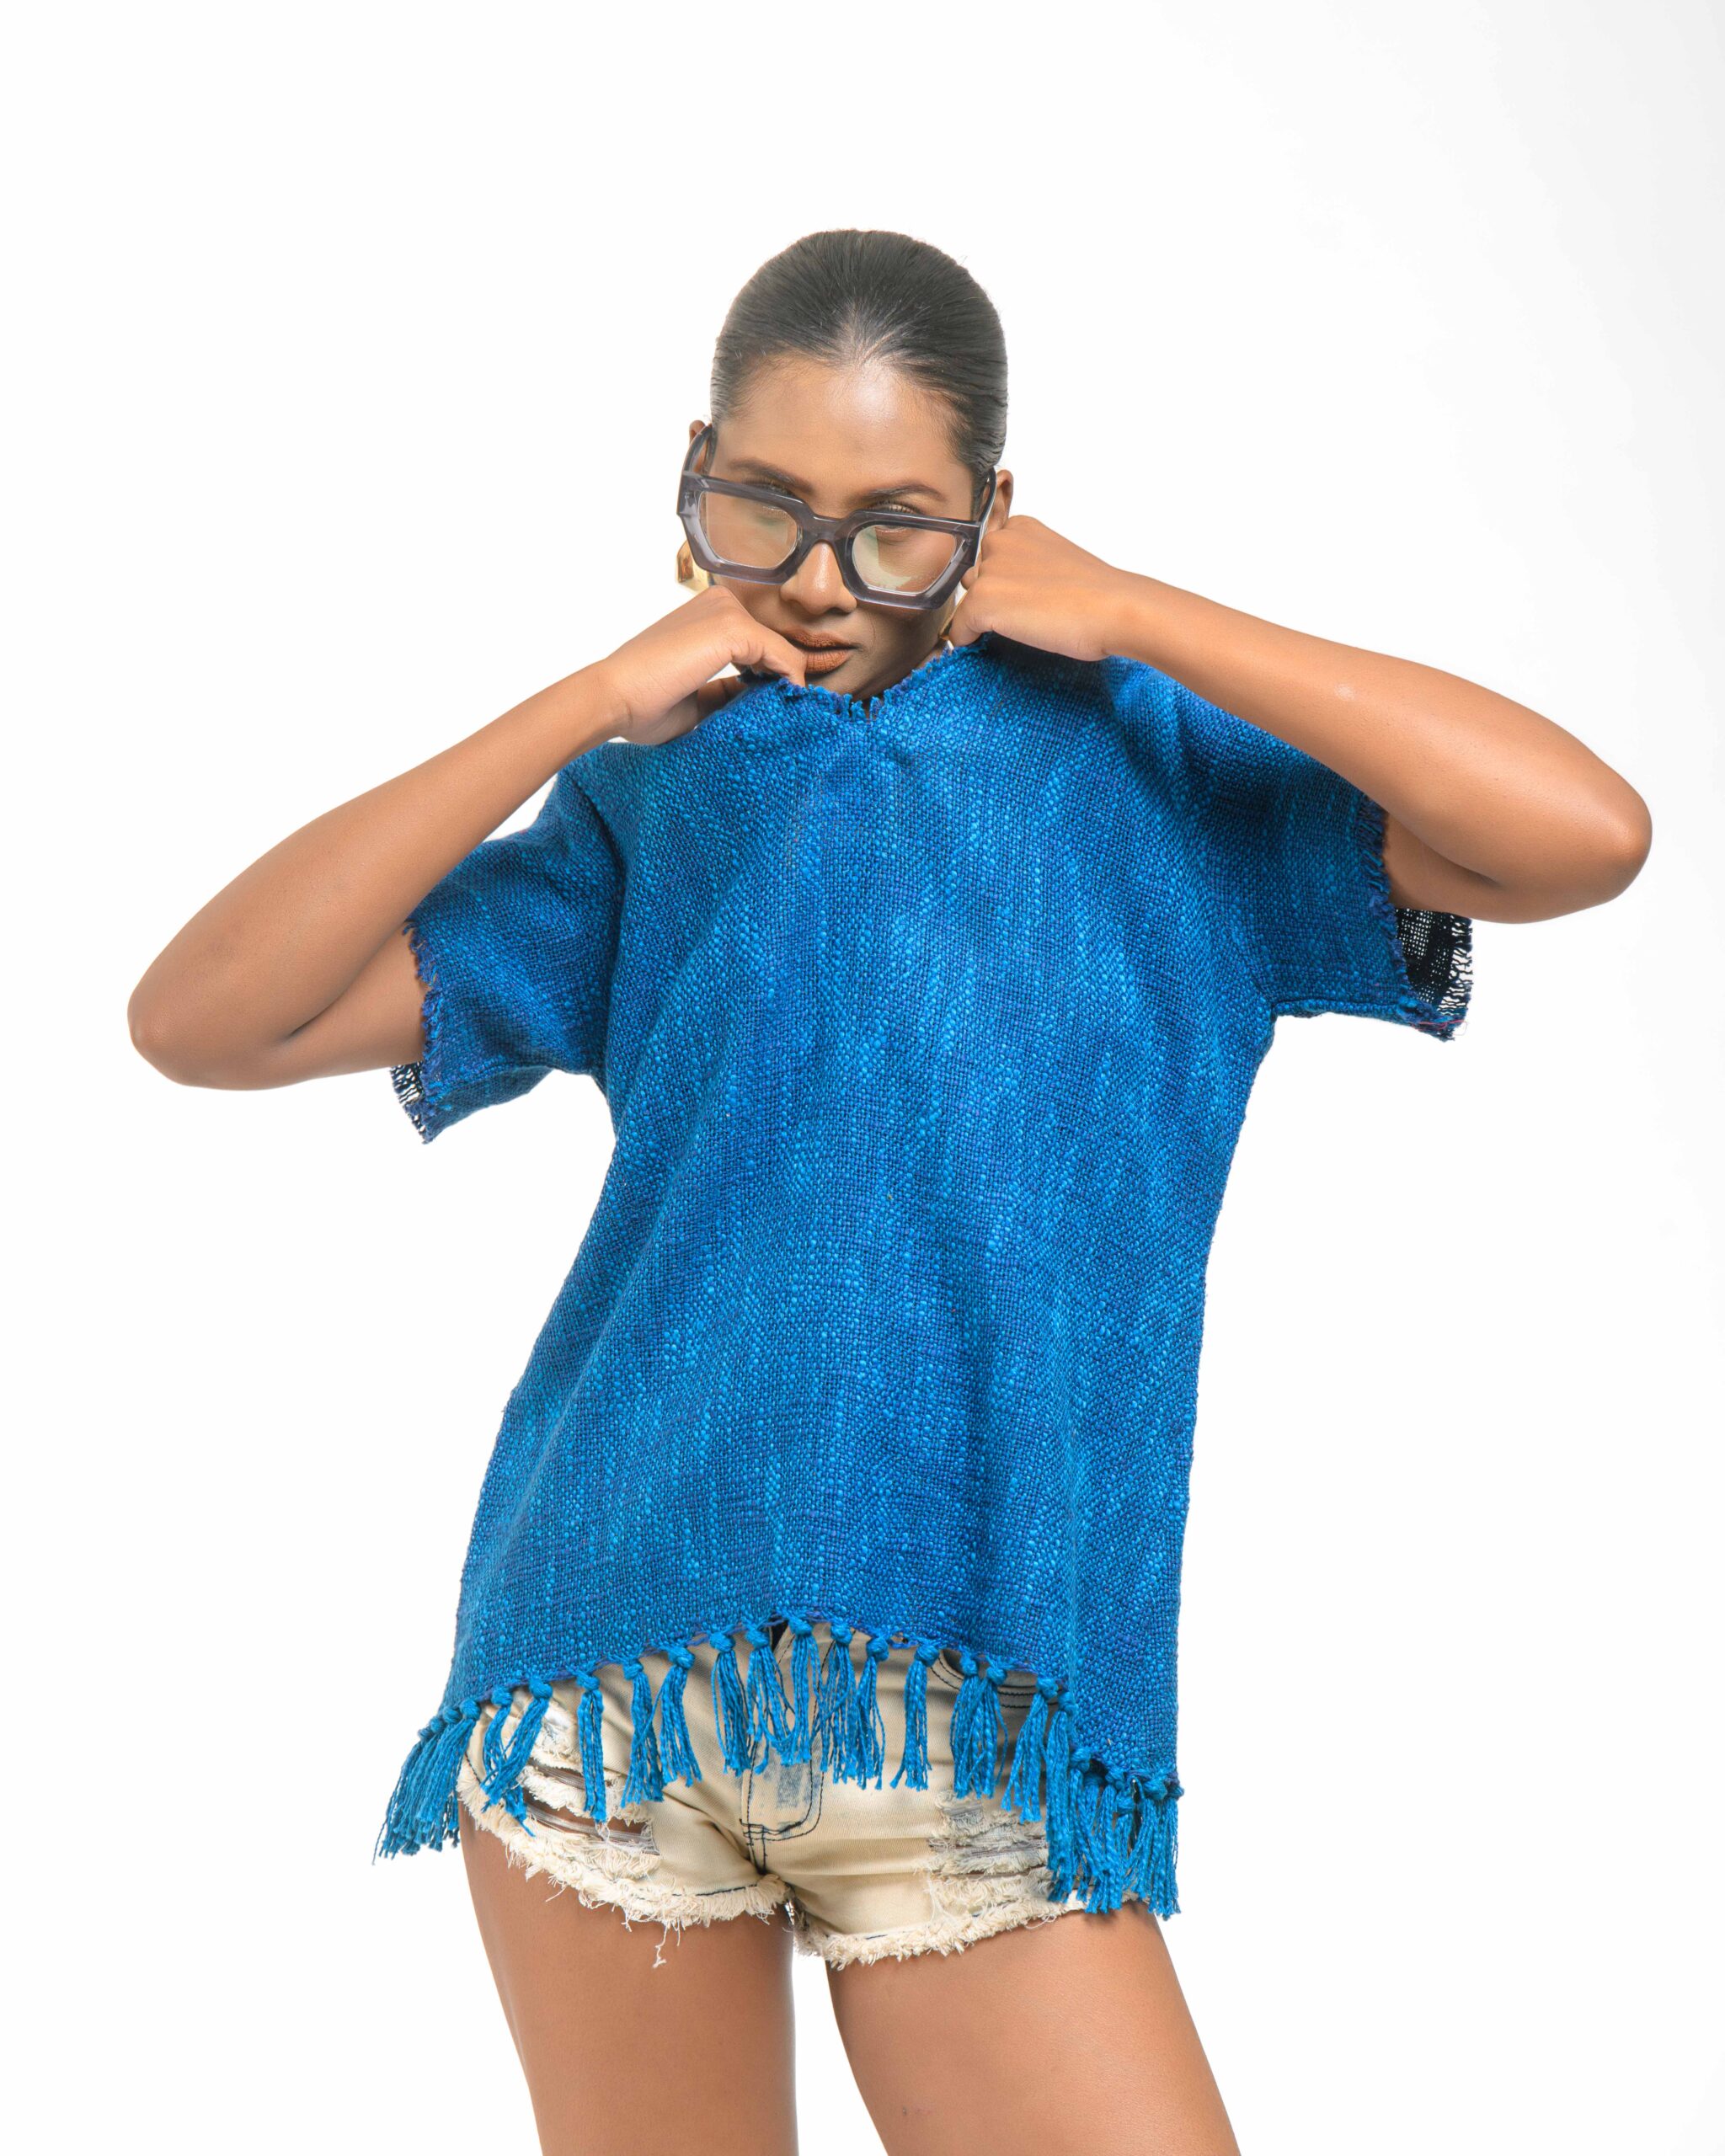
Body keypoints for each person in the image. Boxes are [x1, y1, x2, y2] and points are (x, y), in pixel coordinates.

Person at [127, 229, 1652, 2156]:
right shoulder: (657, 800)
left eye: (897, 527)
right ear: (689, 472)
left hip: (976, 1686)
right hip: (614, 1668)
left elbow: (1579, 833)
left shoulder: (1161, 768)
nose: (821, 579)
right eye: (760, 507)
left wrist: (1137, 609)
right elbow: (207, 1016)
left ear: (995, 516)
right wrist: (588, 699)